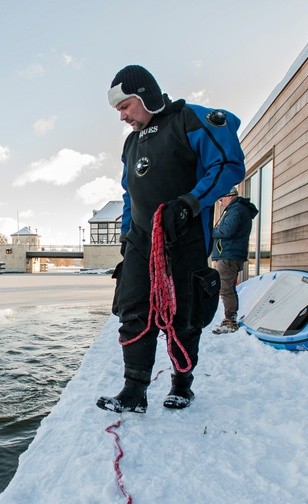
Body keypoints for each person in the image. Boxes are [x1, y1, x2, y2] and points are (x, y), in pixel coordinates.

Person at [97, 65, 245, 413]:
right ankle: (134, 391)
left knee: (184, 315)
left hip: (184, 237)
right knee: (133, 310)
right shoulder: (131, 143)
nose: (122, 117)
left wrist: (190, 202)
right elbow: (129, 194)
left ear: (144, 95)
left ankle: (182, 385)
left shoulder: (189, 119)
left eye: (124, 107)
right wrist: (126, 235)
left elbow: (228, 165)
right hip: (141, 243)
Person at [211, 187, 259, 334]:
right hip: (229, 255)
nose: (220, 203)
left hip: (229, 256)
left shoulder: (236, 210)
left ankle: (230, 321)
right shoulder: (236, 209)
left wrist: (209, 231)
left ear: (230, 196)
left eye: (221, 199)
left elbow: (226, 231)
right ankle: (230, 318)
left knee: (226, 288)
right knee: (227, 288)